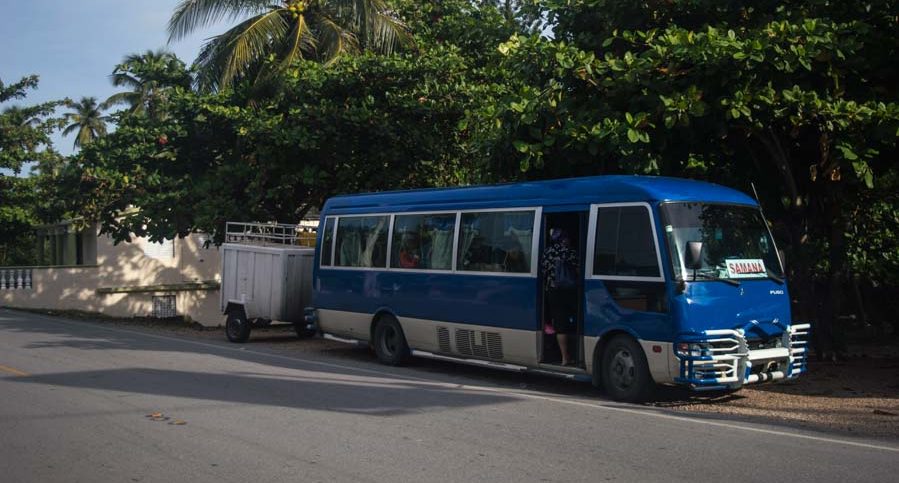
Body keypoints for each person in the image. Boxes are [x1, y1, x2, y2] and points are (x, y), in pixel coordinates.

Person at [541, 228, 578, 366]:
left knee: (559, 323)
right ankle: (570, 354)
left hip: (553, 291)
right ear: (564, 239)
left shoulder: (547, 252)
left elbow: (543, 271)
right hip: (569, 291)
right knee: (570, 321)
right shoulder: (570, 252)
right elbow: (578, 270)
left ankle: (564, 357)